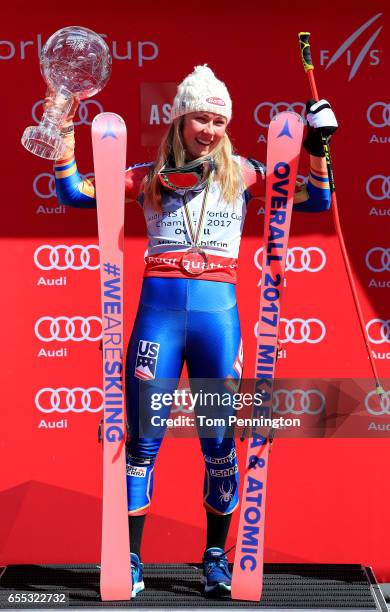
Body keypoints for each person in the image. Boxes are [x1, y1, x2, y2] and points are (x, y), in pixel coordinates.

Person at [52, 65, 337, 598]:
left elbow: (316, 200)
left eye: (218, 121)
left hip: (216, 319)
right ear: (180, 118)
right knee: (142, 444)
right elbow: (72, 193)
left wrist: (319, 145)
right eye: (200, 118)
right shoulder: (144, 174)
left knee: (219, 445)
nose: (209, 130)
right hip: (158, 314)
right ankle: (130, 560)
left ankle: (214, 558)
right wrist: (63, 133)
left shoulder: (248, 173)